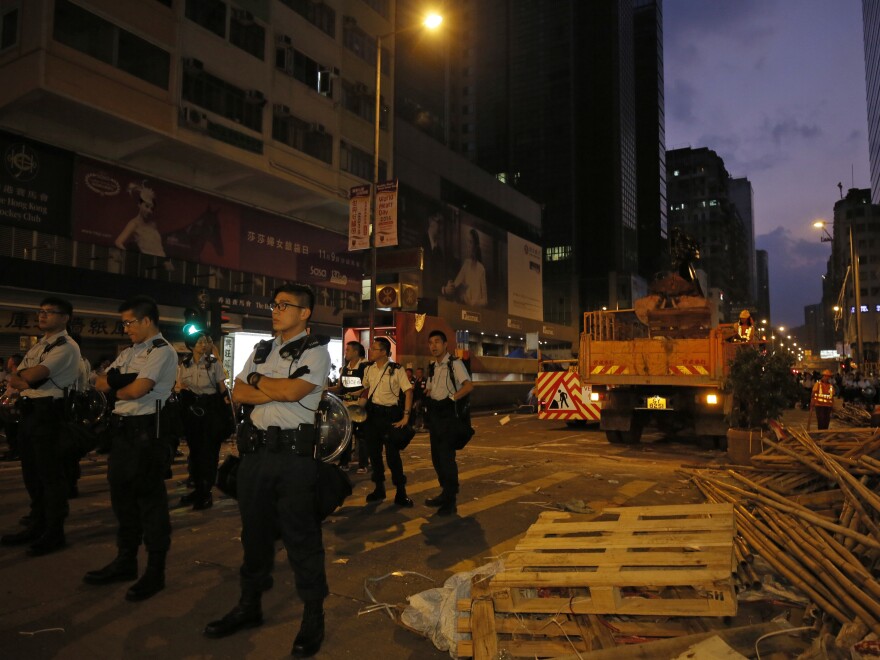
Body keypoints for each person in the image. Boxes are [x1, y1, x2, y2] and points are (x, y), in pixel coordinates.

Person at [203, 284, 330, 659]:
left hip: (294, 459)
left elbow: (294, 393)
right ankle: (249, 604)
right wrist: (267, 386)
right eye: (274, 304)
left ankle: (313, 615)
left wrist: (260, 382)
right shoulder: (261, 349)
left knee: (301, 538)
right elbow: (238, 393)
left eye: (284, 305)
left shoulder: (317, 352)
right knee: (254, 536)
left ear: (305, 313)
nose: (275, 310)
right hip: (255, 457)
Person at [83, 295, 178, 602]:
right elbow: (99, 382)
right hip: (123, 434)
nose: (125, 329)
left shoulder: (162, 352)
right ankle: (126, 561)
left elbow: (139, 389)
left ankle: (156, 570)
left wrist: (115, 387)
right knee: (121, 498)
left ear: (146, 320)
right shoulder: (130, 352)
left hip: (148, 434)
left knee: (150, 503)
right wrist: (116, 385)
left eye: (129, 322)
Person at [0, 297, 81, 556]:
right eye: (40, 311)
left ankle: (54, 531)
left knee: (50, 476)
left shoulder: (66, 346)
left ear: (65, 317)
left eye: (50, 312)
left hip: (49, 414)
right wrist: (23, 380)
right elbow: (16, 377)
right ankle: (37, 524)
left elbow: (31, 376)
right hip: (31, 412)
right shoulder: (39, 346)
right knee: (31, 474)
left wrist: (24, 379)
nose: (42, 316)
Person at [357, 337, 414, 507]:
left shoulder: (396, 370)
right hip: (373, 415)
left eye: (374, 348)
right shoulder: (369, 369)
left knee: (392, 456)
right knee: (374, 454)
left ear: (383, 352)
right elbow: (367, 389)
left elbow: (409, 392)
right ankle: (379, 488)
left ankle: (401, 491)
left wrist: (406, 416)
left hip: (391, 415)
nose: (370, 351)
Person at [176, 331, 229, 510]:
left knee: (209, 453)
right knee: (195, 453)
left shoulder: (214, 364)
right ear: (191, 345)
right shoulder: (184, 364)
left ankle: (206, 493)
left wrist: (229, 409)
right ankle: (198, 489)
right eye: (199, 342)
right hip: (192, 413)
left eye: (206, 341)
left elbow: (223, 389)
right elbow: (180, 386)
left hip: (211, 412)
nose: (204, 344)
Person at [424, 330, 474, 516]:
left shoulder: (455, 363)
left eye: (437, 342)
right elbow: (430, 389)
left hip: (449, 416)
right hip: (435, 415)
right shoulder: (432, 366)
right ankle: (446, 491)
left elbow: (468, 386)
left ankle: (450, 498)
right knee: (436, 458)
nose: (433, 345)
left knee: (446, 458)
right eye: (430, 342)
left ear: (445, 345)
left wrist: (452, 398)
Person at [327, 340, 369, 472]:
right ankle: (344, 462)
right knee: (346, 435)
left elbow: (368, 387)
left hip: (359, 408)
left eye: (348, 350)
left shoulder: (365, 367)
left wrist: (356, 395)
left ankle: (363, 464)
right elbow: (340, 387)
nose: (346, 352)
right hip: (345, 408)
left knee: (361, 437)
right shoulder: (344, 368)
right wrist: (326, 389)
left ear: (356, 352)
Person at [115, 181, 166, 257]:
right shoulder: (134, 223)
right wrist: (129, 256)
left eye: (151, 208)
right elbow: (118, 242)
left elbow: (159, 247)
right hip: (148, 262)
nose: (149, 210)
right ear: (139, 204)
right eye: (146, 206)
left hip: (162, 261)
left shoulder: (153, 224)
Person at [444, 228, 488, 307]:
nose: (468, 245)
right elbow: (456, 284)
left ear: (476, 246)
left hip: (476, 313)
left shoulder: (481, 269)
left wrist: (472, 303)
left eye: (471, 242)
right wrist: (449, 287)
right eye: (468, 242)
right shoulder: (466, 264)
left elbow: (485, 300)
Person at [1, 353, 24, 462]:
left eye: (9, 360)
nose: (8, 362)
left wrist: (7, 401)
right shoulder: (12, 374)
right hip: (8, 406)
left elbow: (16, 392)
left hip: (13, 408)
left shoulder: (19, 374)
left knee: (12, 431)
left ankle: (15, 452)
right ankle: (13, 451)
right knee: (9, 430)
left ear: (13, 362)